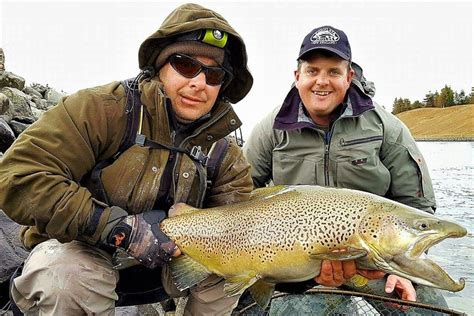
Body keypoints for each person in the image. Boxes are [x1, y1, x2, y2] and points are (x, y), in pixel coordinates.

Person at [0, 3, 254, 315]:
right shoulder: (100, 110)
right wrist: (120, 228)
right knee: (69, 276)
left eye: (214, 75)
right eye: (185, 65)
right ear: (159, 65)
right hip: (80, 255)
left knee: (229, 273)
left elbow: (240, 227)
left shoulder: (226, 154)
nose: (199, 83)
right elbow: (19, 175)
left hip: (167, 269)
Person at [243, 25, 447, 313]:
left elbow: (417, 206)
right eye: (312, 71)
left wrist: (405, 266)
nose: (322, 82)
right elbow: (238, 195)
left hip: (379, 265)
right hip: (303, 272)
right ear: (297, 76)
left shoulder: (386, 127)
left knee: (426, 309)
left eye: (334, 72)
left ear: (349, 77)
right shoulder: (270, 129)